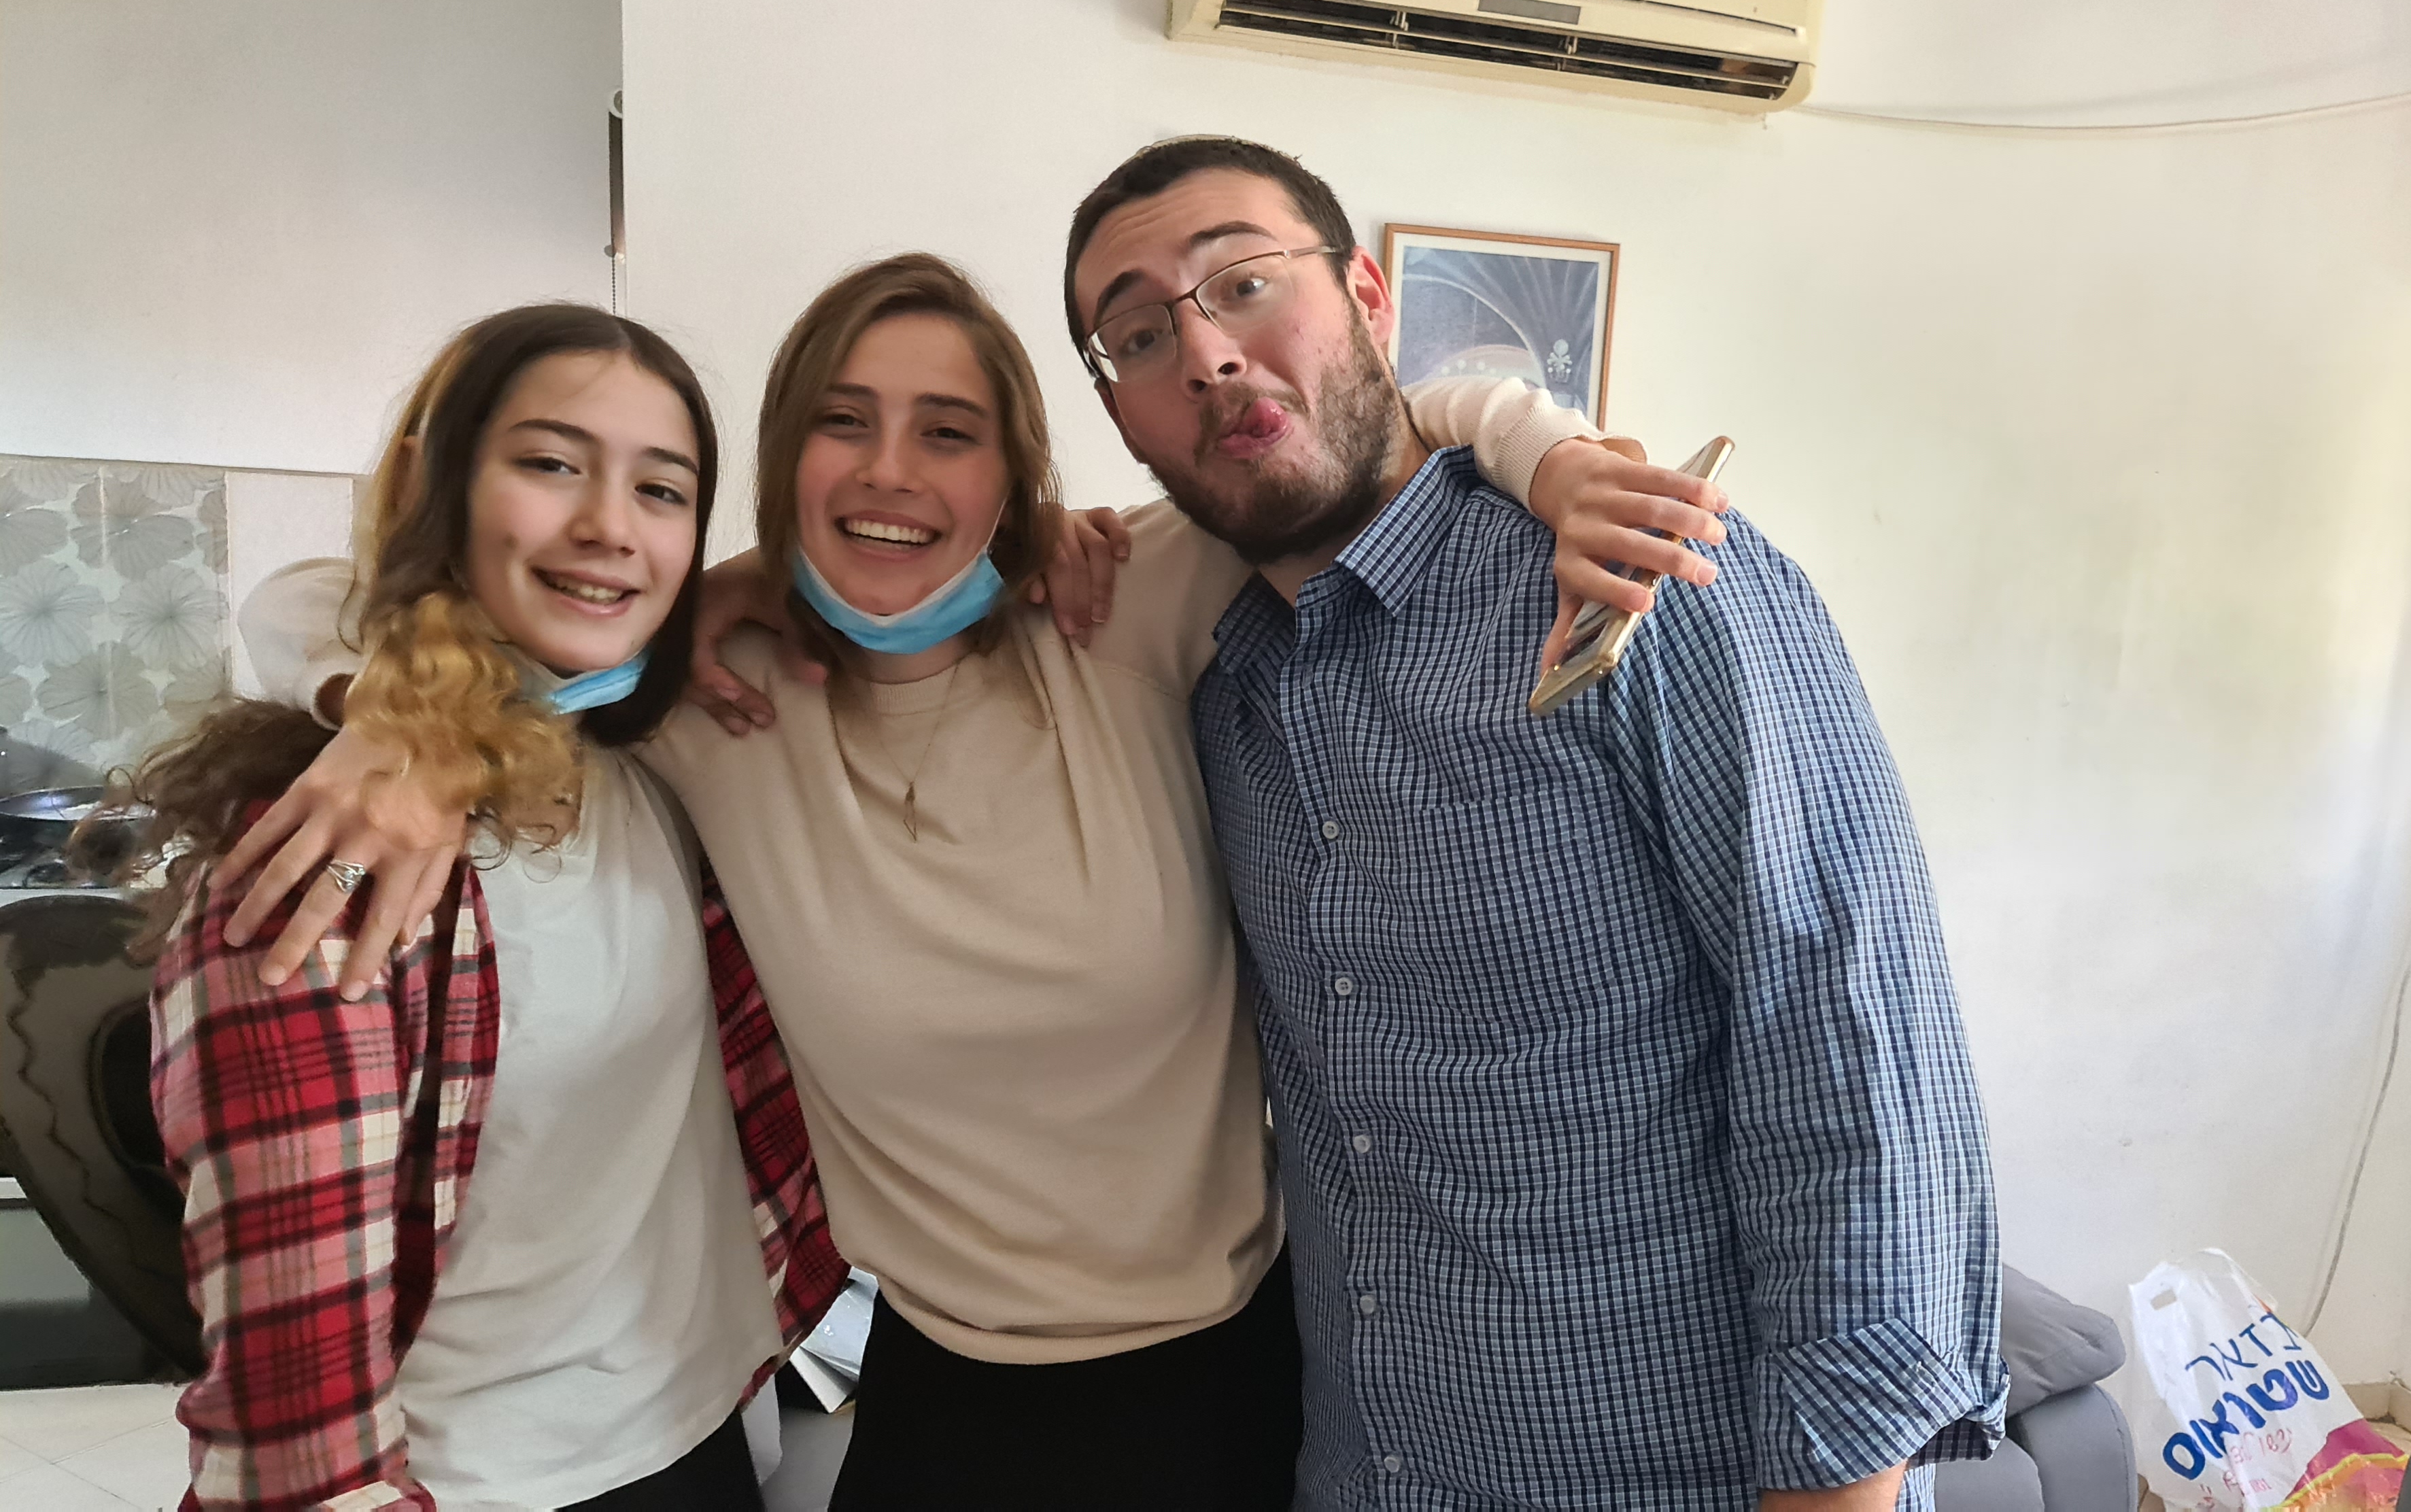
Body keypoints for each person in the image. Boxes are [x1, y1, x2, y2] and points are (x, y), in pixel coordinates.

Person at [214, 252, 1717, 1509]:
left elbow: (1361, 439)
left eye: (949, 432)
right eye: (843, 423)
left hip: (1235, 1379)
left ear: (1015, 476)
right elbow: (328, 597)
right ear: (784, 459)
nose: (890, 471)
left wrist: (1556, 454)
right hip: (934, 1397)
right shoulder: (708, 691)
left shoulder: (1124, 607)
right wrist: (392, 724)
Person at [1060, 137, 2009, 1511]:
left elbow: (1851, 1049)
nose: (1205, 353)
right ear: (1122, 416)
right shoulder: (1217, 690)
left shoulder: (1639, 580)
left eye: (1245, 283)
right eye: (1141, 336)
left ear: (1368, 296)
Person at [133, 304, 845, 1511]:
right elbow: (300, 1426)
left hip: (703, 1428)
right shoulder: (331, 863)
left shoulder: (653, 761)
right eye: (552, 464)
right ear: (441, 484)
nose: (609, 525)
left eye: (661, 491)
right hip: (485, 1481)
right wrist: (392, 716)